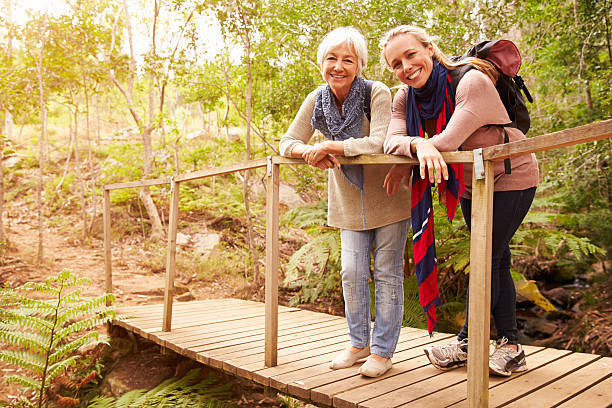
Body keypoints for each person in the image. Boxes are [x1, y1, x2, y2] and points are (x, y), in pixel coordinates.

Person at [379, 25, 539, 377]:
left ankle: (469, 341)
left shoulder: (471, 81)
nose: (405, 67)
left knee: (487, 256)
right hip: (471, 181)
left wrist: (420, 143)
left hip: (511, 175)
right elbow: (392, 141)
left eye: (410, 55)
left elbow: (448, 140)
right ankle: (511, 346)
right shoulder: (405, 98)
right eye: (395, 64)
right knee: (495, 258)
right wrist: (418, 145)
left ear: (430, 49)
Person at [279, 27, 412, 377]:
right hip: (347, 202)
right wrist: (308, 150)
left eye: (347, 60)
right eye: (331, 58)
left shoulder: (376, 92)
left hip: (389, 198)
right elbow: (288, 141)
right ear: (321, 63)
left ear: (360, 64)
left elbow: (381, 141)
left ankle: (383, 351)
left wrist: (336, 146)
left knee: (387, 274)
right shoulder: (317, 99)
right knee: (351, 273)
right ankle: (359, 343)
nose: (338, 66)